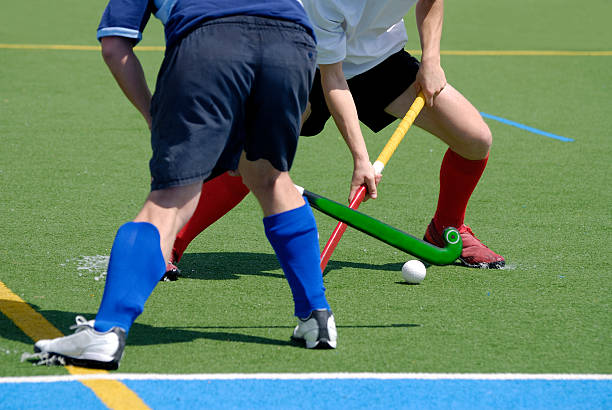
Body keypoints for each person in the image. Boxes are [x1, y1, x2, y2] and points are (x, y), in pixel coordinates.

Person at [32, 0, 337, 370]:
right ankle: (316, 318)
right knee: (272, 180)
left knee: (169, 200)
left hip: (210, 41)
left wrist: (152, 115)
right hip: (293, 42)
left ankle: (106, 332)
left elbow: (115, 45)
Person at [165, 0, 504, 277]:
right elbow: (334, 80)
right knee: (257, 155)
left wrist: (431, 60)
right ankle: (169, 244)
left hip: (380, 60)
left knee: (474, 138)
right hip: (307, 61)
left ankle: (448, 226)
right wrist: (360, 159)